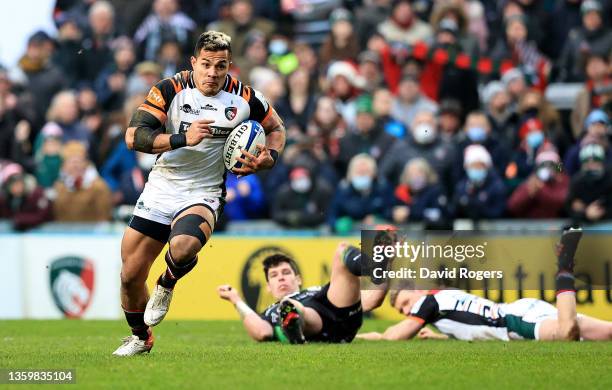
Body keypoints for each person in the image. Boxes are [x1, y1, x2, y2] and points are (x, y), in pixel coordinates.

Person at [112, 31, 286, 356]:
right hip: (162, 186)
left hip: (204, 191)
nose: (212, 73)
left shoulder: (245, 98)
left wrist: (269, 158)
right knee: (129, 276)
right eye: (206, 64)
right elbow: (134, 136)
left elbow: (276, 128)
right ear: (194, 63)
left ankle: (167, 282)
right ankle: (140, 337)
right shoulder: (170, 89)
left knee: (183, 245)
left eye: (220, 66)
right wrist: (181, 137)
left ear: (229, 66)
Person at [358, 229, 612, 342]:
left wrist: (353, 337)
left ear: (419, 291)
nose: (405, 311)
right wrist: (441, 336)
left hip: (514, 322)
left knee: (568, 333)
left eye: (404, 303)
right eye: (402, 311)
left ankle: (565, 266)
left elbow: (393, 337)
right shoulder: (440, 301)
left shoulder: (429, 302)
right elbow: (471, 325)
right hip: (521, 309)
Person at [217, 241, 388, 343]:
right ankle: (293, 323)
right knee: (290, 305)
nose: (281, 278)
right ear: (268, 286)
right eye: (274, 276)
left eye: (286, 273)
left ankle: (376, 265)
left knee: (341, 248)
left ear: (298, 279)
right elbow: (262, 332)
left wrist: (389, 268)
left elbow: (372, 300)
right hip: (315, 322)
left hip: (341, 312)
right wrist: (235, 299)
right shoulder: (269, 312)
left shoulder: (316, 291)